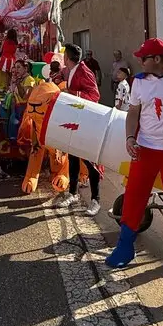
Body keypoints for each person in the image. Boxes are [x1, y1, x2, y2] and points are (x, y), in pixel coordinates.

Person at [105, 38, 163, 277]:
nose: (139, 61)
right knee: (134, 196)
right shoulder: (138, 82)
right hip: (145, 149)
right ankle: (125, 247)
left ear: (156, 59)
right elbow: (133, 112)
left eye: (143, 58)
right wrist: (129, 138)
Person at [55, 44, 103, 216]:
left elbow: (94, 95)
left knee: (90, 162)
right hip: (75, 120)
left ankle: (96, 200)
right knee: (73, 158)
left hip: (87, 122)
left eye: (64, 56)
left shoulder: (84, 71)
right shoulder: (72, 70)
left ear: (67, 57)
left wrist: (71, 92)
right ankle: (73, 193)